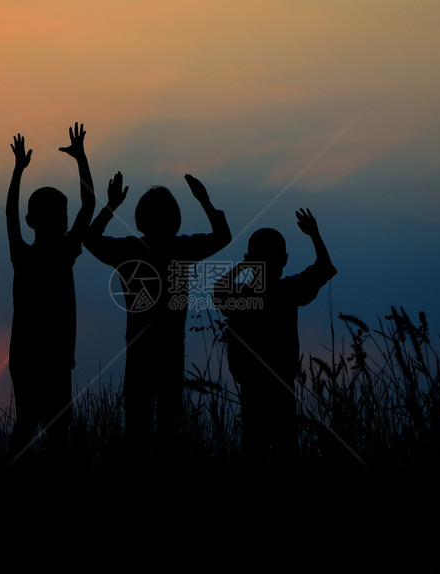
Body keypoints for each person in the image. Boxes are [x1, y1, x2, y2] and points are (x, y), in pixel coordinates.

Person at [85, 173, 231, 457]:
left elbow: (90, 240)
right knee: (169, 431)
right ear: (175, 221)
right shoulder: (182, 249)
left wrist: (111, 206)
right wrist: (204, 200)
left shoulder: (130, 250)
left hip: (139, 352)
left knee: (137, 431)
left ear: (140, 221)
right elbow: (222, 236)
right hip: (171, 352)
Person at [214, 208, 336, 464]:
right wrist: (314, 235)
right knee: (285, 450)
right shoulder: (288, 291)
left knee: (254, 448)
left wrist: (246, 264)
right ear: (285, 259)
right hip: (281, 381)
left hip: (251, 382)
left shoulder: (243, 297)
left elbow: (220, 290)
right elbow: (323, 266)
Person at [6, 123, 95, 460]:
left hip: (35, 358)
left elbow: (11, 214)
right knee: (49, 429)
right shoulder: (60, 253)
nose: (64, 220)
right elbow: (89, 204)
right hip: (46, 359)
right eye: (62, 215)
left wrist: (17, 172)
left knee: (31, 426)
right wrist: (81, 158)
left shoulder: (25, 256)